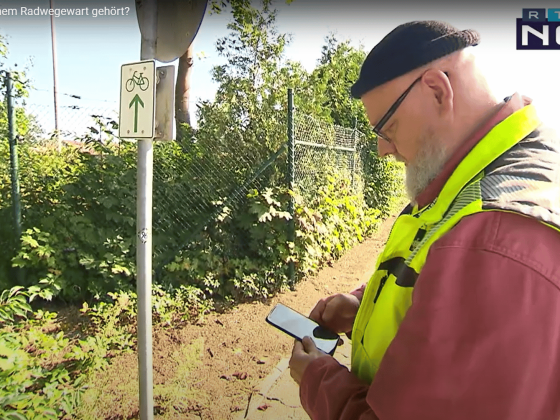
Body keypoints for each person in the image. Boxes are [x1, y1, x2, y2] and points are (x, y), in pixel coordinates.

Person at [288, 20, 560, 420]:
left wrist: (316, 379)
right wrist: (362, 306)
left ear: (437, 90)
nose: (383, 150)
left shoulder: (492, 243)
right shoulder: (474, 176)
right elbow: (428, 269)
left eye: (388, 127)